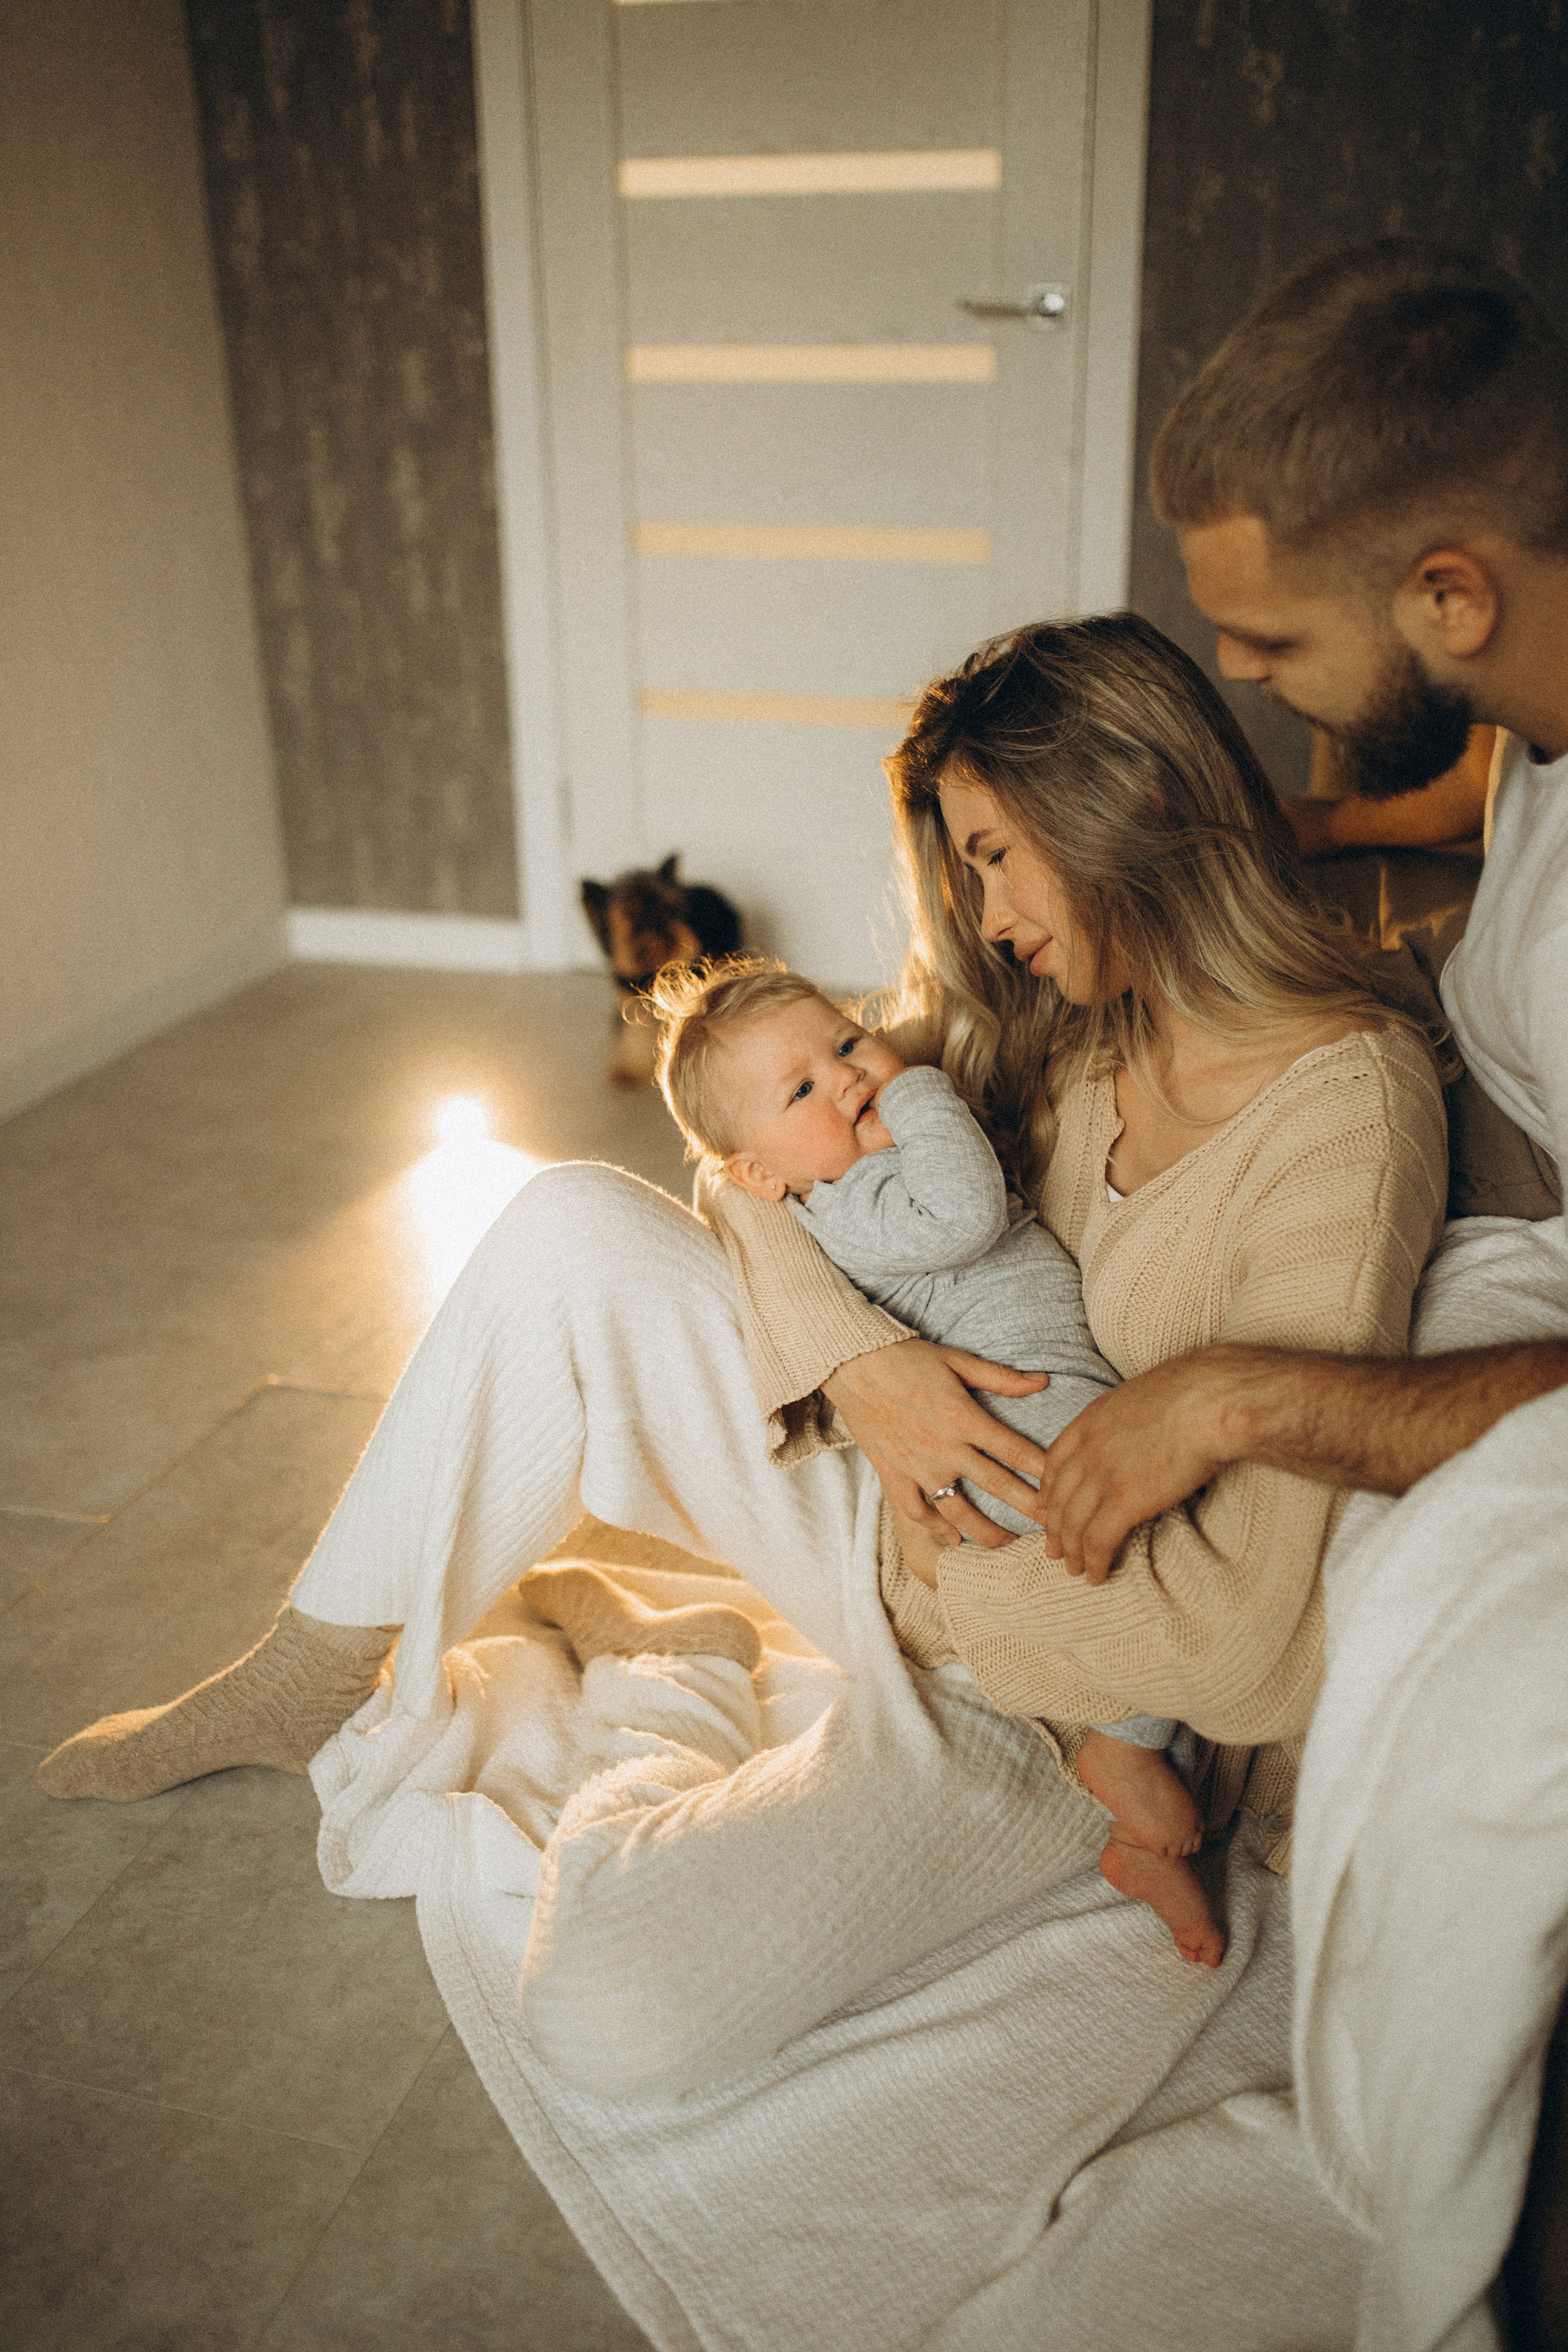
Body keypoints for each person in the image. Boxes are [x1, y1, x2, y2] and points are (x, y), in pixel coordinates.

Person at [34, 611, 1446, 2103]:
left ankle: (702, 1646)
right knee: (569, 1217)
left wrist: (942, 1554)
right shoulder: (1076, 1019)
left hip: (1073, 1695)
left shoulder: (1339, 1115)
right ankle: (311, 1667)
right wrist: (857, 1367)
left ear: (1120, 804)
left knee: (603, 2014)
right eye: (962, 864)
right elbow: (739, 1147)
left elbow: (1236, 1632)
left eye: (992, 852)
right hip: (913, 1514)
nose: (984, 909)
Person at [648, 955, 1212, 1959]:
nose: (851, 1078)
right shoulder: (860, 1198)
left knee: (1155, 1565)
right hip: (1026, 1415)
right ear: (763, 1175)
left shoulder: (846, 1169)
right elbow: (967, 1211)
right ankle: (1123, 1758)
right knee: (1151, 1561)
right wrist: (918, 1084)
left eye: (847, 1044)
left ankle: (1136, 1808)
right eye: (804, 1090)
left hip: (1053, 1398)